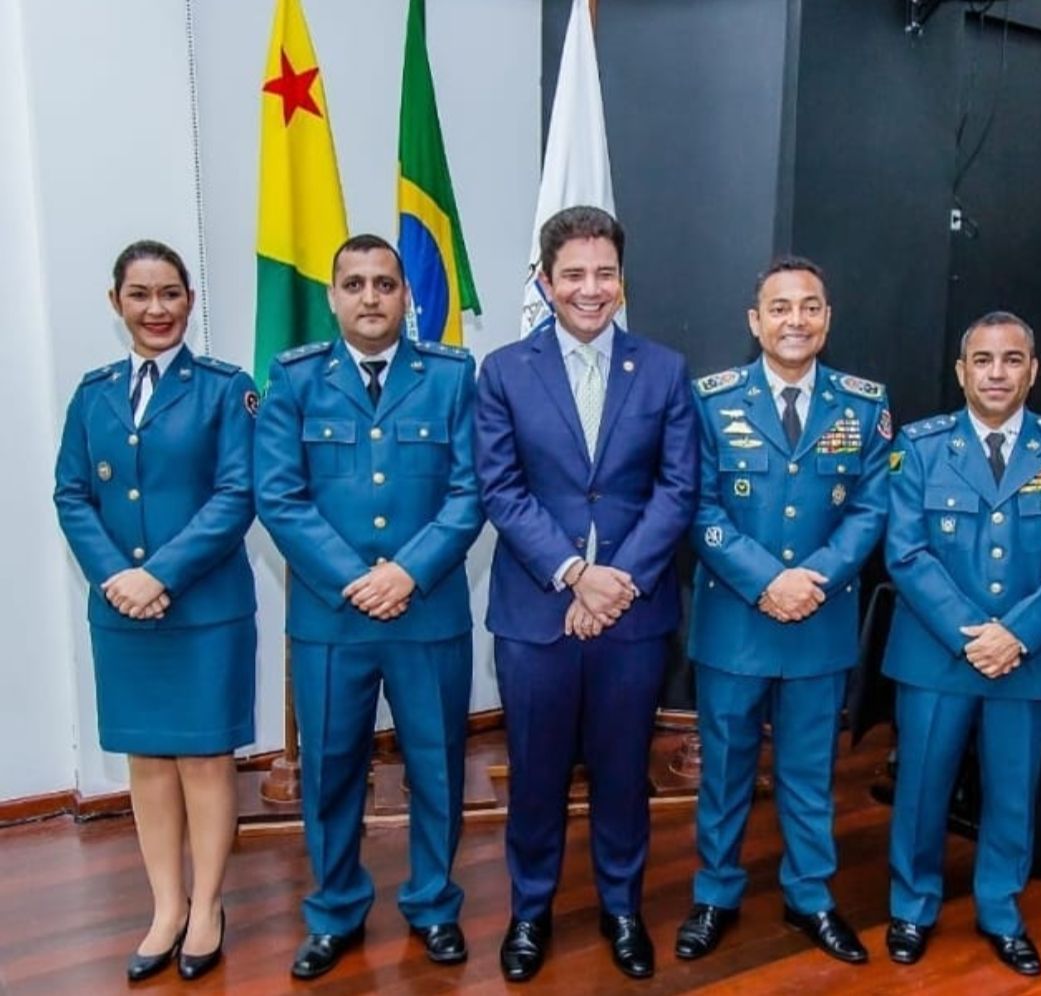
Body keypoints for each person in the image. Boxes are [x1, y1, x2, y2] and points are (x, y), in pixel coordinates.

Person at [475, 205, 699, 982]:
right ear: (545, 281)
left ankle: (622, 909)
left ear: (621, 280)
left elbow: (677, 489)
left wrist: (617, 582)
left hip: (633, 614)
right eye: (572, 274)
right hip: (536, 613)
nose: (589, 288)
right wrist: (575, 574)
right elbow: (501, 490)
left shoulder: (663, 370)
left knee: (621, 771)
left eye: (604, 273)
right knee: (534, 774)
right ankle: (529, 911)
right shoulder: (504, 370)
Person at [254, 233, 483, 981]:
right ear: (333, 297)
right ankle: (335, 910)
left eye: (385, 283)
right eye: (354, 284)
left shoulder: (451, 376)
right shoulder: (295, 379)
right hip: (333, 617)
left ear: (405, 295)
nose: (371, 297)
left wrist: (407, 574)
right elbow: (278, 496)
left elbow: (470, 492)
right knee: (329, 769)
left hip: (427, 613)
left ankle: (434, 904)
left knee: (438, 766)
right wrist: (357, 578)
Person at [53, 240, 258, 982]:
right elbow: (71, 493)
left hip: (204, 610)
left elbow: (237, 494)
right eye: (139, 295)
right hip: (123, 612)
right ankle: (167, 907)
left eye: (170, 293)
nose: (156, 308)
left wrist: (159, 574)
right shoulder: (94, 394)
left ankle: (207, 907)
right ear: (117, 304)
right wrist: (117, 577)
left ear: (190, 301)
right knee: (147, 758)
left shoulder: (225, 390)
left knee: (203, 758)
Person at [882, 311, 1041, 975]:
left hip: (1029, 658)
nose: (997, 373)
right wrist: (973, 635)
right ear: (961, 372)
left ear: (1032, 371)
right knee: (921, 790)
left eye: (1012, 360)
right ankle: (912, 906)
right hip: (936, 654)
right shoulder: (921, 447)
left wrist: (1016, 635)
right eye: (982, 360)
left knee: (1013, 793)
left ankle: (1001, 911)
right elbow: (905, 553)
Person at [677, 257, 889, 966]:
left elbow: (870, 509)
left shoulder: (863, 405)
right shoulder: (710, 401)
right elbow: (698, 508)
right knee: (724, 771)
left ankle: (810, 895)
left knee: (808, 773)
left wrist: (813, 580)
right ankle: (715, 893)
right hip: (735, 623)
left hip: (818, 625)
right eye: (779, 308)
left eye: (809, 307)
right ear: (755, 321)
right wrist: (768, 581)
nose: (795, 320)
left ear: (827, 318)